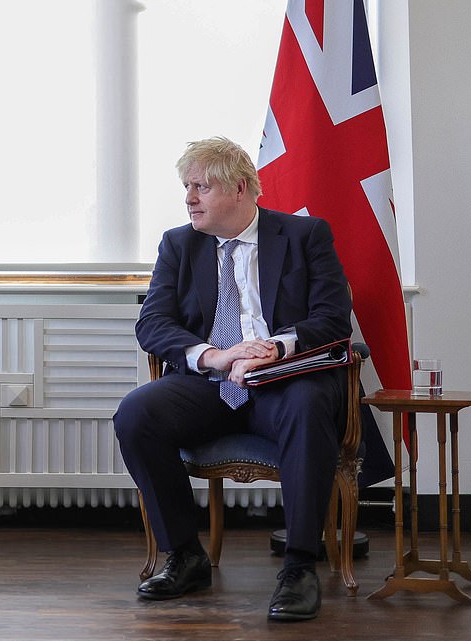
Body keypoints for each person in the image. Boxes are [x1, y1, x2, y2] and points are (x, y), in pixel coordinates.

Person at [113, 137, 352, 622]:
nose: (189, 198)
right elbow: (152, 324)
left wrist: (275, 347)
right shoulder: (178, 244)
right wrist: (216, 357)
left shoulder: (305, 236)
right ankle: (184, 554)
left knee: (309, 406)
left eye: (200, 186)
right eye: (186, 187)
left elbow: (332, 319)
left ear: (240, 188)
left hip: (283, 382)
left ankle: (300, 567)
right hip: (210, 385)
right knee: (137, 414)